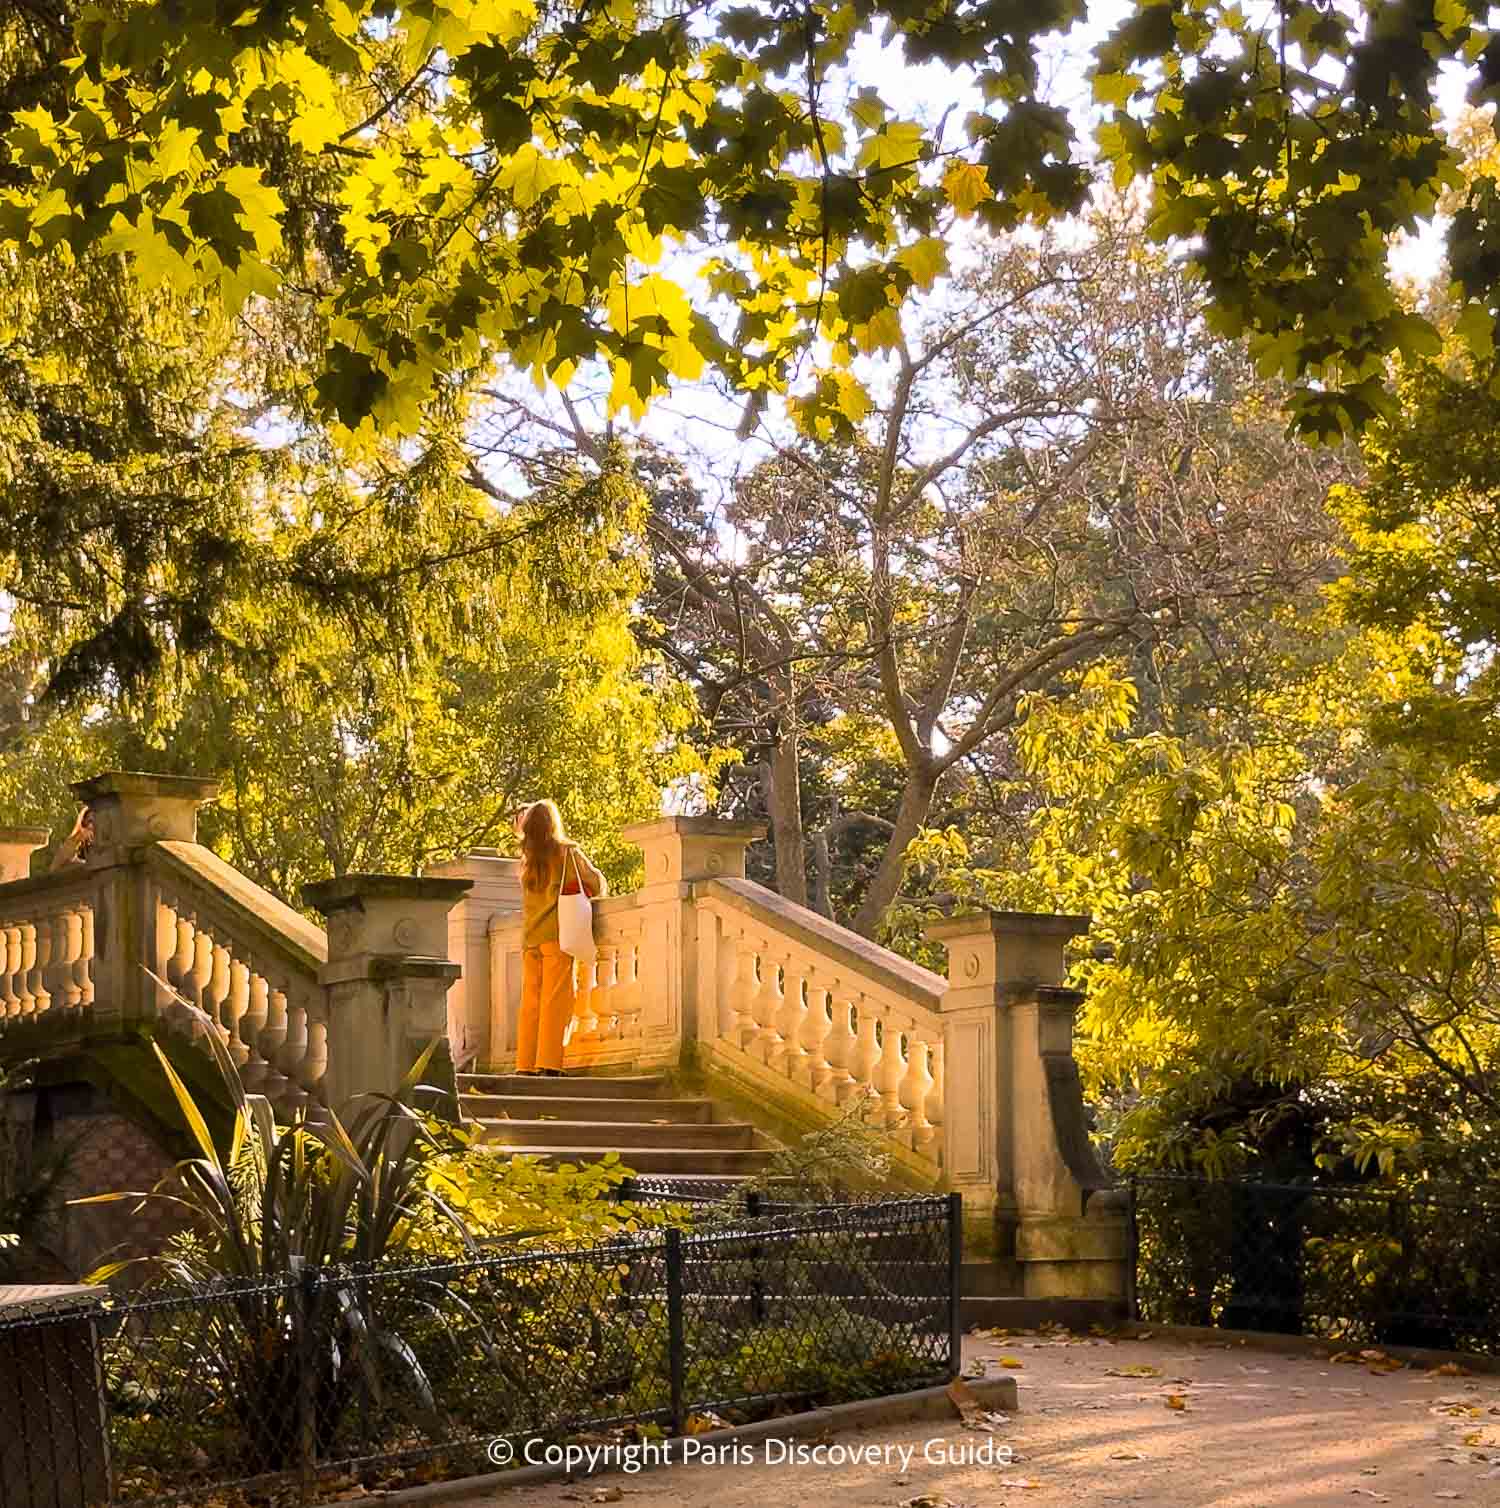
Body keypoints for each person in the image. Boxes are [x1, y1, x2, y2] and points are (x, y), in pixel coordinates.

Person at [515, 800, 606, 1077]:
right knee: (556, 1000)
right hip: (556, 935)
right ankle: (550, 1063)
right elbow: (596, 884)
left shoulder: (526, 859)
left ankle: (525, 1064)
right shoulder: (566, 853)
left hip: (530, 937)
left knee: (531, 1002)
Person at [49, 805, 95, 870]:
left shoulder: (97, 843)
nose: (91, 826)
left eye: (94, 821)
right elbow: (56, 867)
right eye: (89, 821)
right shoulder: (74, 842)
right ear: (83, 823)